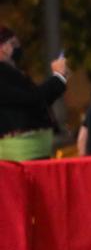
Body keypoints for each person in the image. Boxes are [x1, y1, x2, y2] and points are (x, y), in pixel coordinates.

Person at [0, 25, 70, 161]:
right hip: (23, 152)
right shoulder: (3, 73)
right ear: (3, 46)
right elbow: (33, 99)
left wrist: (58, 78)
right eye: (13, 43)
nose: (17, 48)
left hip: (30, 149)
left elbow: (36, 100)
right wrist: (59, 77)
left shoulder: (10, 73)